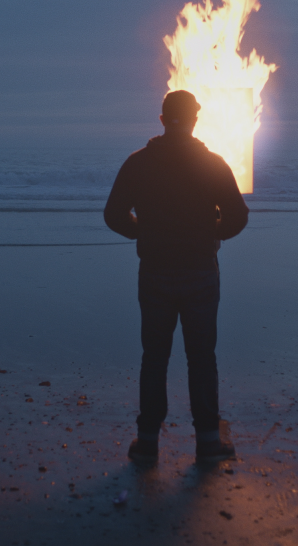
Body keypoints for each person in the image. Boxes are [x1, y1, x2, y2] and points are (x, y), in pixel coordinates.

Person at [104, 89, 249, 463]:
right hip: (200, 270)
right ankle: (208, 443)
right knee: (201, 357)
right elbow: (237, 217)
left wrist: (144, 232)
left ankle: (148, 442)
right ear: (196, 119)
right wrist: (211, 232)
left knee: (155, 356)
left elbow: (113, 215)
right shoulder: (213, 163)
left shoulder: (138, 163)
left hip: (155, 272)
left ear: (162, 120)